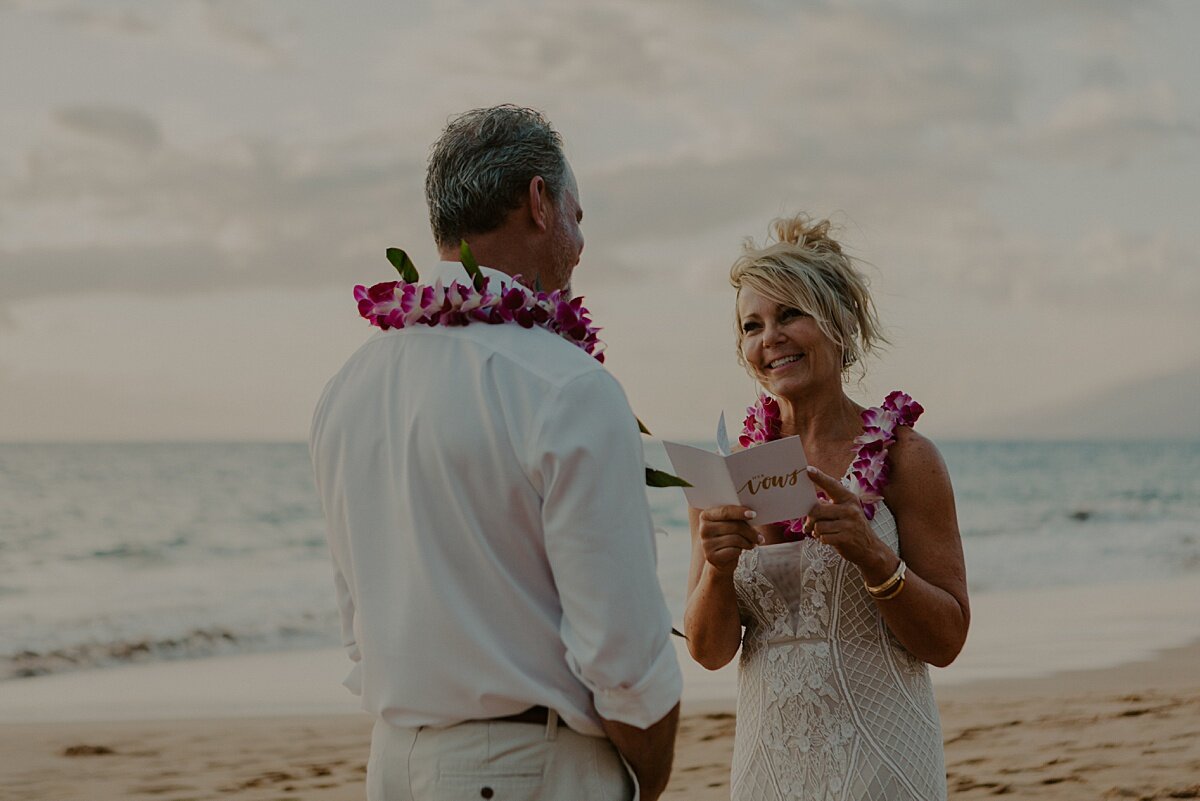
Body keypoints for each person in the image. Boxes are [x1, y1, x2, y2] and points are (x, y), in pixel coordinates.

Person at [311, 105, 681, 801]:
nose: (580, 243)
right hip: (524, 768)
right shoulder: (568, 384)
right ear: (540, 203)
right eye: (578, 214)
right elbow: (622, 658)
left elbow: (358, 632)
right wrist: (648, 776)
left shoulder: (345, 390)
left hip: (393, 764)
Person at [683, 215, 969, 800]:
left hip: (883, 760)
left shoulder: (908, 459)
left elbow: (947, 641)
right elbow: (710, 653)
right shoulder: (726, 472)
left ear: (840, 322)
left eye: (790, 314)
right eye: (752, 325)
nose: (770, 339)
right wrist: (716, 567)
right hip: (768, 768)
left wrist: (873, 558)